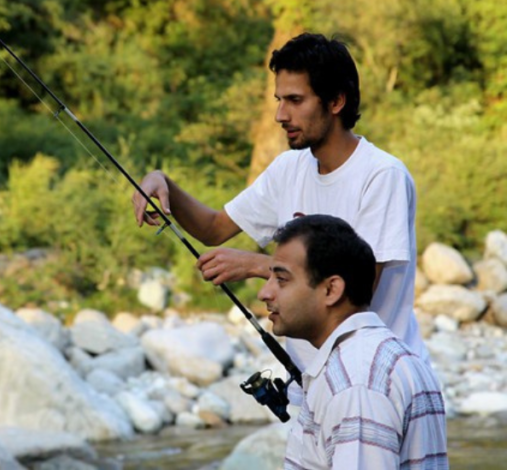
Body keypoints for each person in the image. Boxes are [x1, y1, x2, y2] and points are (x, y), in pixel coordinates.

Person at [132, 32, 429, 403]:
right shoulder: (289, 168)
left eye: (295, 100)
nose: (279, 115)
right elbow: (212, 228)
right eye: (278, 100)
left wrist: (261, 266)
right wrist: (164, 184)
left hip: (376, 384)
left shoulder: (382, 175)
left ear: (336, 101)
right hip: (313, 389)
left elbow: (356, 291)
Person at [259, 214, 447, 469]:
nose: (264, 292)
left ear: (331, 290)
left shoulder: (354, 383)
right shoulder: (388, 355)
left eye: (282, 279)